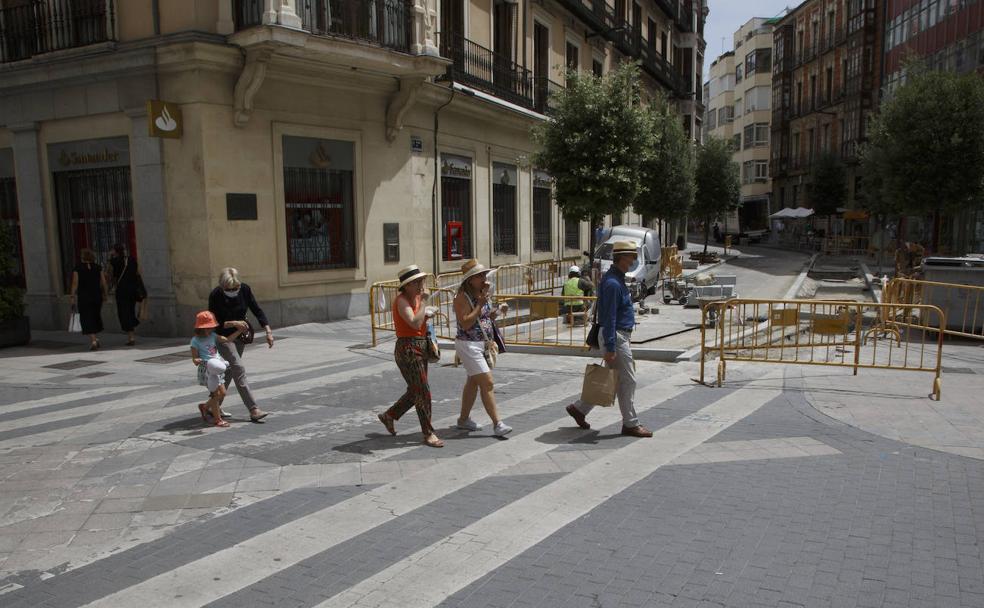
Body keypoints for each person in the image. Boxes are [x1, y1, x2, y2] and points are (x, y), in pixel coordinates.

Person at [565, 240, 653, 438]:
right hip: (616, 336)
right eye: (631, 256)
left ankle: (579, 409)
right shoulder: (613, 283)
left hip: (618, 336)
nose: (633, 260)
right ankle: (630, 423)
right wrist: (612, 346)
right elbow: (610, 316)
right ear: (621, 258)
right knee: (628, 381)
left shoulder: (615, 279)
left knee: (611, 378)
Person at [376, 265, 444, 448]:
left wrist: (426, 313)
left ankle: (389, 416)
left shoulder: (415, 297)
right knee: (423, 391)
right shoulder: (402, 300)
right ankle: (428, 433)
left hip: (420, 345)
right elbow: (413, 323)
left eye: (421, 281)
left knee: (416, 391)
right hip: (408, 348)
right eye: (415, 282)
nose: (420, 285)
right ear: (405, 286)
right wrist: (423, 303)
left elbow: (419, 321)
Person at [453, 259, 512, 437]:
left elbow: (485, 318)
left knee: (473, 382)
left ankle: (463, 420)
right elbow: (465, 323)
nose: (484, 278)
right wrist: (479, 304)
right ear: (470, 279)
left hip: (482, 343)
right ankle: (497, 423)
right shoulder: (461, 297)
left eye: (484, 274)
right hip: (468, 344)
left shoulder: (482, 293)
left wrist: (496, 311)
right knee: (487, 382)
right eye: (479, 276)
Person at [207, 267, 271, 422]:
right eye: (229, 289)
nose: (234, 291)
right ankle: (253, 409)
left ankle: (212, 405)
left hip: (240, 336)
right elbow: (214, 322)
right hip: (223, 337)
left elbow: (256, 309)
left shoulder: (245, 290)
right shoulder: (216, 295)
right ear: (222, 287)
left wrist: (268, 331)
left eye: (236, 288)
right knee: (238, 368)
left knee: (229, 371)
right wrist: (233, 323)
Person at [190, 311, 247, 428]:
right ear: (200, 328)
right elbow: (194, 358)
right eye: (207, 328)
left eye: (211, 327)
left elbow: (227, 340)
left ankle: (205, 407)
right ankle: (218, 420)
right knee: (215, 394)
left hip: (218, 367)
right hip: (207, 369)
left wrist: (239, 331)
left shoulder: (213, 336)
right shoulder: (195, 341)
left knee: (222, 393)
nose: (210, 330)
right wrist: (197, 360)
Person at [68, 248, 107, 351]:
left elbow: (75, 284)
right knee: (95, 316)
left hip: (84, 297)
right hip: (97, 296)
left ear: (82, 257)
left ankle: (93, 340)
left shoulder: (78, 268)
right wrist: (105, 295)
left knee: (86, 318)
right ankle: (95, 338)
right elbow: (103, 283)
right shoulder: (98, 267)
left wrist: (72, 297)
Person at [107, 243, 141, 346]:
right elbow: (138, 272)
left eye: (112, 250)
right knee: (130, 310)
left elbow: (109, 275)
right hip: (133, 289)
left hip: (122, 290)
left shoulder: (114, 261)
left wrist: (110, 258)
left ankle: (131, 336)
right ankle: (131, 334)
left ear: (115, 251)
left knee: (124, 312)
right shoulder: (131, 260)